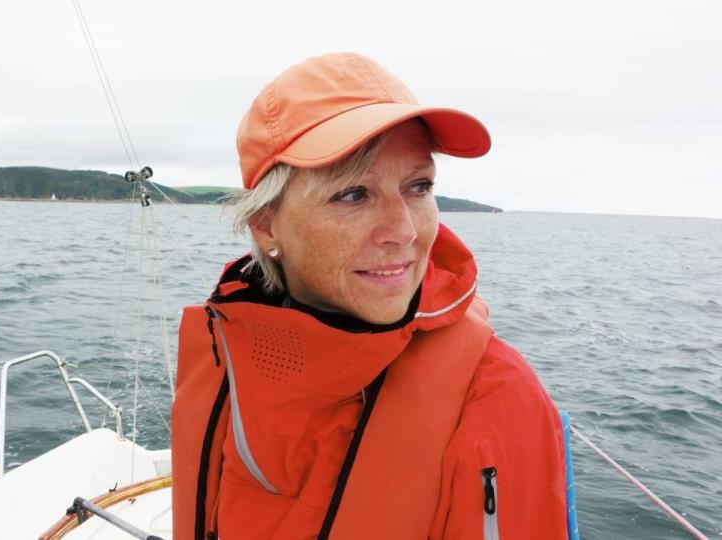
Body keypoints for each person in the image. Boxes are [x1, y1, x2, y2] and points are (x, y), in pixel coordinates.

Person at [171, 52, 567, 539]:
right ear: (265, 224)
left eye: (418, 186)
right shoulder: (227, 348)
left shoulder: (496, 400)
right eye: (353, 194)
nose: (404, 232)